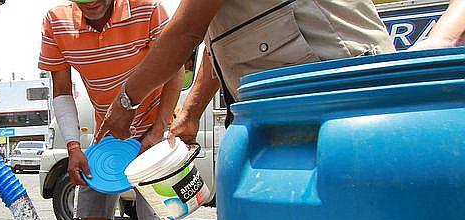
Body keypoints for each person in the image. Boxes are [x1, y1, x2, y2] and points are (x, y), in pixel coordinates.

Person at [39, 0, 185, 220]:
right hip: (108, 135)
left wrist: (159, 130)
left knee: (155, 213)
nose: (90, 6)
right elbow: (61, 91)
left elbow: (175, 68)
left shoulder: (147, 9)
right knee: (90, 205)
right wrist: (73, 146)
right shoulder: (56, 21)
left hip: (151, 128)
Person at [97, 0, 396, 141]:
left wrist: (126, 101)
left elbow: (187, 31)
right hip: (292, 118)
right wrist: (190, 112)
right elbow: (223, 38)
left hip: (343, 102)